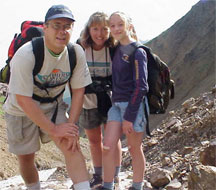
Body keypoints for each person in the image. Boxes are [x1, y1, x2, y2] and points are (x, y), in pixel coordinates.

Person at [3, 4, 92, 190]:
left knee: (71, 144)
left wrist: (71, 126)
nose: (62, 31)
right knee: (27, 157)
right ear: (46, 27)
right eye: (57, 25)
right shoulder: (26, 54)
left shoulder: (76, 53)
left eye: (67, 26)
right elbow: (23, 99)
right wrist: (53, 129)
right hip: (20, 110)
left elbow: (78, 91)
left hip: (52, 104)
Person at [100, 11, 149, 190]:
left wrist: (129, 116)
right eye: (112, 26)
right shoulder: (116, 49)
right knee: (107, 146)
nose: (116, 28)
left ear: (129, 25)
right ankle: (108, 185)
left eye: (120, 24)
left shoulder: (138, 52)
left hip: (133, 107)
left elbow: (141, 86)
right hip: (116, 105)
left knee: (135, 148)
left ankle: (137, 186)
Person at [78, 12, 122, 189]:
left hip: (110, 101)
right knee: (94, 140)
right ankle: (98, 176)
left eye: (104, 29)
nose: (100, 34)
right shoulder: (81, 48)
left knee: (112, 140)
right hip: (87, 101)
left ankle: (115, 176)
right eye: (95, 28)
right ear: (89, 30)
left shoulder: (114, 48)